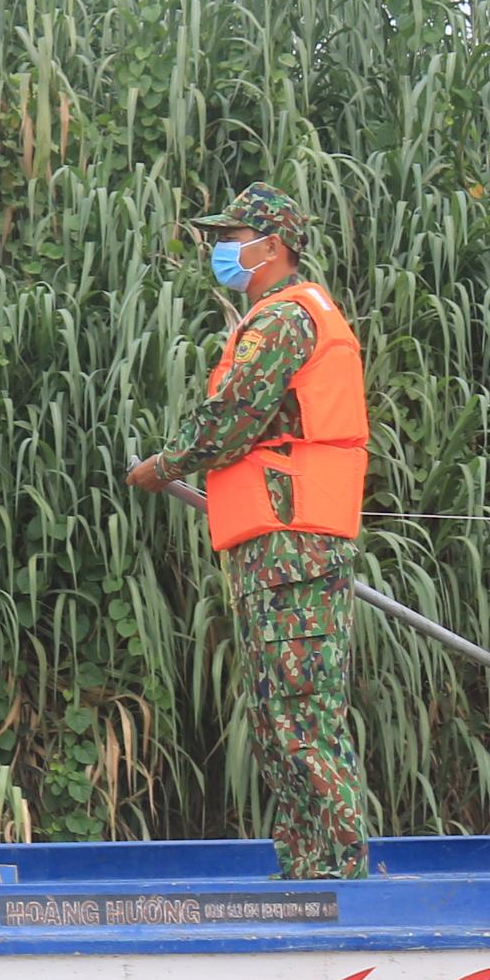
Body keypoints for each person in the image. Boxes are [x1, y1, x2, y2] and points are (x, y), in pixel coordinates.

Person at [125, 182, 376, 880]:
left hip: (293, 545)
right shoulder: (281, 314)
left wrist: (163, 464)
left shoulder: (286, 319)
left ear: (272, 244)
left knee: (300, 713)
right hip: (273, 545)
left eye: (232, 238)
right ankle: (306, 867)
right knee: (275, 717)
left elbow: (233, 416)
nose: (221, 250)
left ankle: (337, 875)